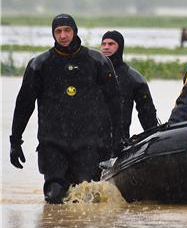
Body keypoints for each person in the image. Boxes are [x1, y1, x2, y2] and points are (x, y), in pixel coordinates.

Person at [9, 14, 122, 204]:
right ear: (53, 34)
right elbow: (24, 104)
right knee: (54, 197)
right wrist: (15, 140)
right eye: (58, 31)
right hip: (52, 143)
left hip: (88, 143)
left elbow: (114, 103)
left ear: (75, 31)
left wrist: (116, 138)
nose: (63, 35)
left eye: (67, 30)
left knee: (85, 198)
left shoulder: (97, 61)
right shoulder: (40, 64)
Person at [101, 30, 158, 140]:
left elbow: (146, 113)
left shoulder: (133, 78)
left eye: (111, 44)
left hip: (119, 141)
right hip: (91, 141)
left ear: (120, 47)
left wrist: (153, 136)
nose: (106, 47)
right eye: (104, 44)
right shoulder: (91, 73)